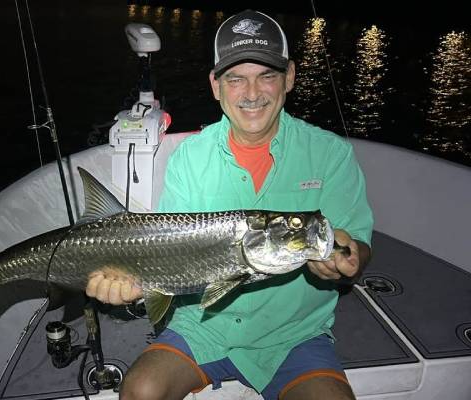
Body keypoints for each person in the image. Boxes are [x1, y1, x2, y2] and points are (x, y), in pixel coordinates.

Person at [86, 9, 373, 400]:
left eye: (266, 76)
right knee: (141, 391)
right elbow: (171, 254)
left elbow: (356, 242)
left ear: (289, 77)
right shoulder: (190, 156)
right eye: (236, 79)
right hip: (205, 324)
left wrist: (349, 255)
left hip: (292, 334)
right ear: (216, 85)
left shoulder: (331, 154)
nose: (252, 94)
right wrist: (131, 283)